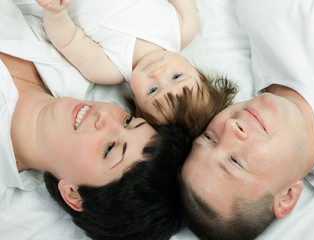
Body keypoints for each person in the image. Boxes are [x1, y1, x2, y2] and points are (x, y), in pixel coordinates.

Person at [179, 0, 314, 239]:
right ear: (286, 197)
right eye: (236, 161)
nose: (232, 128)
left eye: (210, 137)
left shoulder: (264, 14)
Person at [0, 51, 192, 240]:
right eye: (128, 121)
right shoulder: (81, 57)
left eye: (109, 149)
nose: (106, 115)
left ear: (73, 195)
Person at [34, 0, 237, 140]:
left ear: (137, 103)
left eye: (153, 90)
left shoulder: (107, 69)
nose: (158, 73)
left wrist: (55, 12)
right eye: (176, 76)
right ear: (198, 72)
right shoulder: (184, 27)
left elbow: (67, 40)